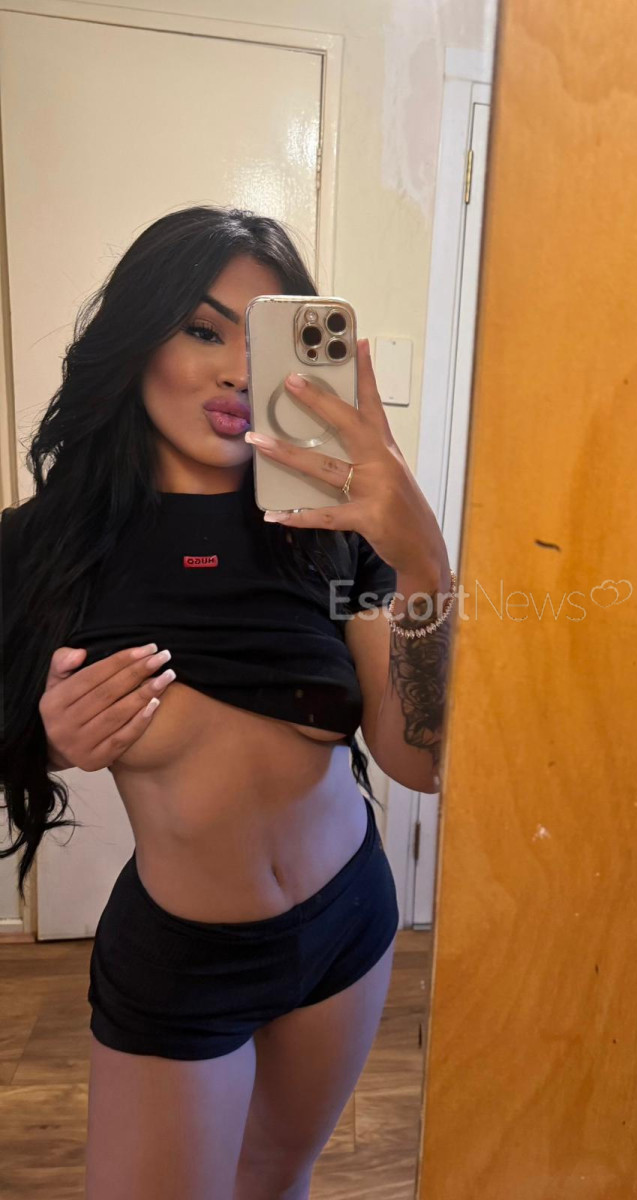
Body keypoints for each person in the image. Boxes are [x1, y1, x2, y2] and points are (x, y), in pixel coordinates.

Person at [0, 205, 457, 1200]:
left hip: (347, 920)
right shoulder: (48, 548)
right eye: (202, 330)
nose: (237, 372)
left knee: (276, 1181)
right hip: (185, 960)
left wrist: (424, 560)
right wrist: (48, 737)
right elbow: (15, 737)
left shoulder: (330, 531)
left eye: (261, 340)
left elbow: (419, 761)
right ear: (138, 341)